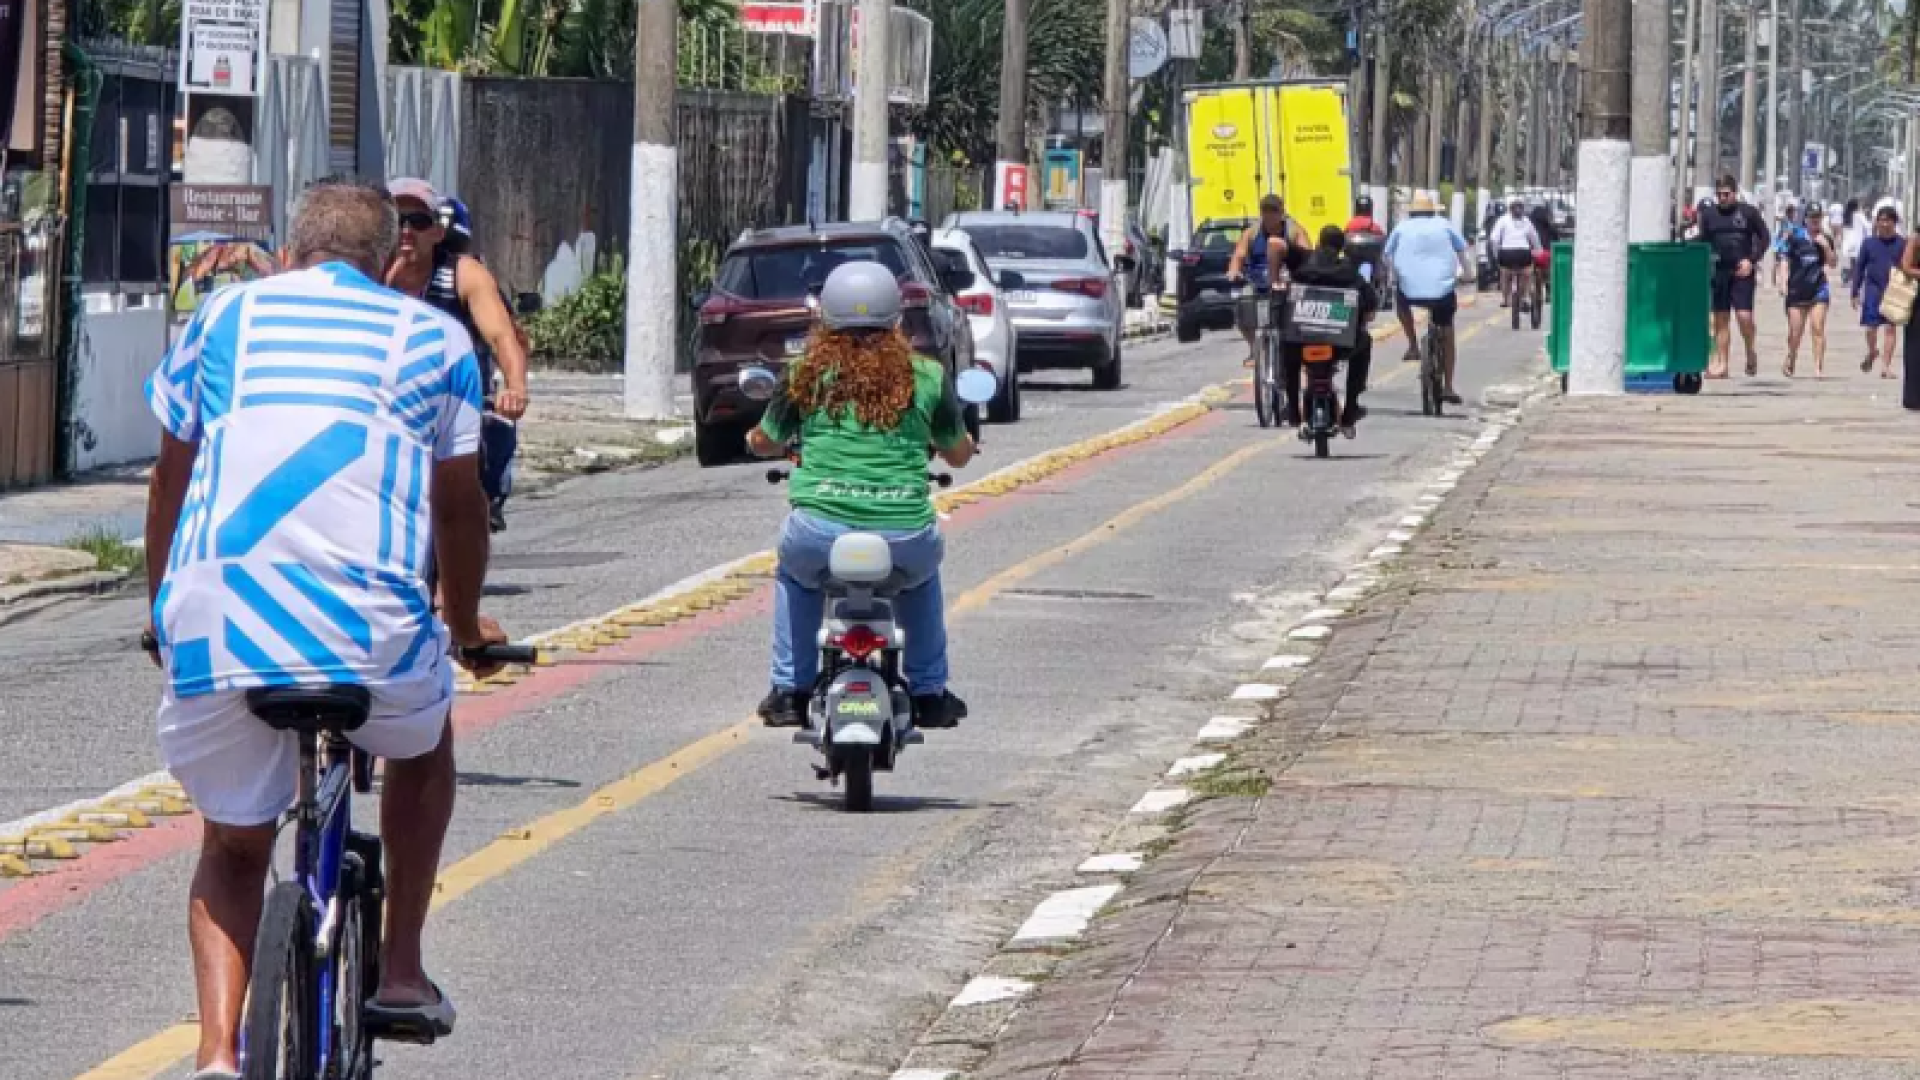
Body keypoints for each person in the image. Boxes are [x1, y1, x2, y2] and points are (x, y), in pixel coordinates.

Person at [142, 177, 509, 1080]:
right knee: (425, 740)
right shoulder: (434, 338)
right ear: (387, 265)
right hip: (372, 631)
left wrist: (164, 612)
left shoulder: (222, 317)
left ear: (286, 254)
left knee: (234, 845)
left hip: (220, 621)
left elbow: (169, 479)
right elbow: (458, 508)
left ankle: (217, 1056)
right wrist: (464, 626)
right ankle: (403, 968)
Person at [748, 261, 976, 731]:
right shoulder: (927, 376)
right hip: (903, 534)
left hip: (819, 533)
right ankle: (929, 692)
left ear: (823, 318)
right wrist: (962, 443)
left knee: (796, 574)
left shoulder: (804, 373)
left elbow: (767, 441)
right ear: (897, 319)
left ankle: (790, 689)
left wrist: (757, 440)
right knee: (921, 577)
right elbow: (957, 455)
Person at [383, 178, 530, 530]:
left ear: (437, 231)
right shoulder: (369, 276)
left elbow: (502, 337)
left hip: (455, 403)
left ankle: (482, 506)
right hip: (390, 400)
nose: (406, 231)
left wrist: (516, 387)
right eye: (397, 221)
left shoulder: (464, 274)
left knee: (495, 432)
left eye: (418, 222)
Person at [1282, 225, 1378, 433]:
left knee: (1287, 351)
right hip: (1339, 345)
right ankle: (1350, 408)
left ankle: (1293, 410)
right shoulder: (1349, 272)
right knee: (1366, 342)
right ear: (1342, 248)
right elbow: (1370, 304)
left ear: (1318, 243)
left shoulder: (1301, 270)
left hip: (1301, 342)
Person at [1383, 192, 1471, 404]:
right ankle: (1448, 386)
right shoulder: (1445, 225)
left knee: (1401, 303)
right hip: (1442, 291)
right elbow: (1462, 251)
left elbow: (1386, 255)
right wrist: (1467, 274)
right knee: (1447, 332)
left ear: (1412, 212)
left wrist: (1395, 275)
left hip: (1409, 291)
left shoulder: (1401, 227)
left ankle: (1413, 344)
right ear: (1432, 211)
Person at [1694, 175, 1771, 378]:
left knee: (1744, 317)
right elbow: (1704, 240)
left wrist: (1752, 260)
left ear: (1734, 193)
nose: (1722, 198)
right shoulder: (1709, 215)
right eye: (1719, 194)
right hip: (1719, 271)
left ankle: (1750, 350)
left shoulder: (1748, 213)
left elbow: (1765, 237)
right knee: (1721, 319)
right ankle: (1723, 364)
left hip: (1742, 270)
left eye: (1726, 194)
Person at [1226, 194, 1312, 365]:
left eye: (1274, 210)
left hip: (1286, 281)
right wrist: (1233, 271)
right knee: (1243, 305)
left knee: (1301, 310)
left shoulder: (1294, 231)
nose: (1269, 215)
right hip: (1257, 281)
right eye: (1265, 210)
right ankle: (1254, 349)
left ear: (1282, 212)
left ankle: (1299, 352)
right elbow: (1239, 255)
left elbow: (1307, 254)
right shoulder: (1252, 233)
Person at [1774, 203, 1836, 378]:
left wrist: (1826, 247)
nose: (1815, 221)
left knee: (1817, 327)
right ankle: (1791, 356)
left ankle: (1818, 367)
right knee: (1795, 332)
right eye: (1812, 217)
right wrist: (1783, 282)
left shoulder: (1826, 237)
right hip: (1797, 289)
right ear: (1806, 219)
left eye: (1818, 217)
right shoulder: (1795, 237)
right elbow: (1784, 259)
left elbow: (1832, 263)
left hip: (1818, 288)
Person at [1851, 204, 1904, 377]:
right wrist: (1854, 291)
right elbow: (1859, 267)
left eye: (1888, 221)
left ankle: (1885, 367)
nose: (1884, 224)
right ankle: (1872, 350)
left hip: (1893, 291)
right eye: (1881, 220)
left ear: (1894, 223)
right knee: (1870, 328)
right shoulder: (1869, 243)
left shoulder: (1901, 243)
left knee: (1890, 328)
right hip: (1873, 290)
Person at [1488, 201, 1543, 311]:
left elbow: (1494, 239)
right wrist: (1539, 250)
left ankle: (1505, 299)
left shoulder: (1502, 220)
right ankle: (1524, 297)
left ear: (1510, 209)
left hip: (1506, 254)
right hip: (1523, 254)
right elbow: (1534, 237)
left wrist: (1496, 254)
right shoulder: (1527, 221)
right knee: (1527, 272)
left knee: (1504, 273)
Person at [1841, 199, 1867, 285]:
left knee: (1853, 262)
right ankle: (1850, 275)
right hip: (1857, 242)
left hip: (1849, 241)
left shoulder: (1846, 215)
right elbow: (1867, 225)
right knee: (1859, 262)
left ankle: (1848, 275)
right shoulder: (1858, 215)